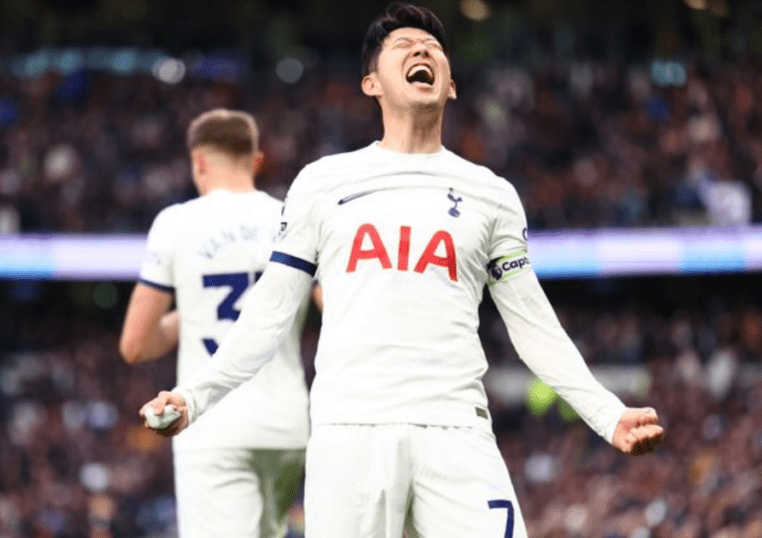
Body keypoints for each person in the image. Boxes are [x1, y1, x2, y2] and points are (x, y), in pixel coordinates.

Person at [140, 4, 664, 537]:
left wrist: (606, 413)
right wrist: (193, 397)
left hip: (458, 433)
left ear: (451, 86)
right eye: (404, 46)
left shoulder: (493, 194)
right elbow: (269, 313)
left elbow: (533, 325)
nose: (422, 51)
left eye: (433, 48)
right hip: (350, 435)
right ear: (372, 84)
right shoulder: (323, 183)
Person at [121, 109, 312, 538]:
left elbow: (135, 344)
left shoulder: (176, 222)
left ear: (199, 162)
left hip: (211, 423)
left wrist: (186, 316)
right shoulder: (291, 218)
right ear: (257, 161)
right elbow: (336, 306)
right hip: (288, 426)